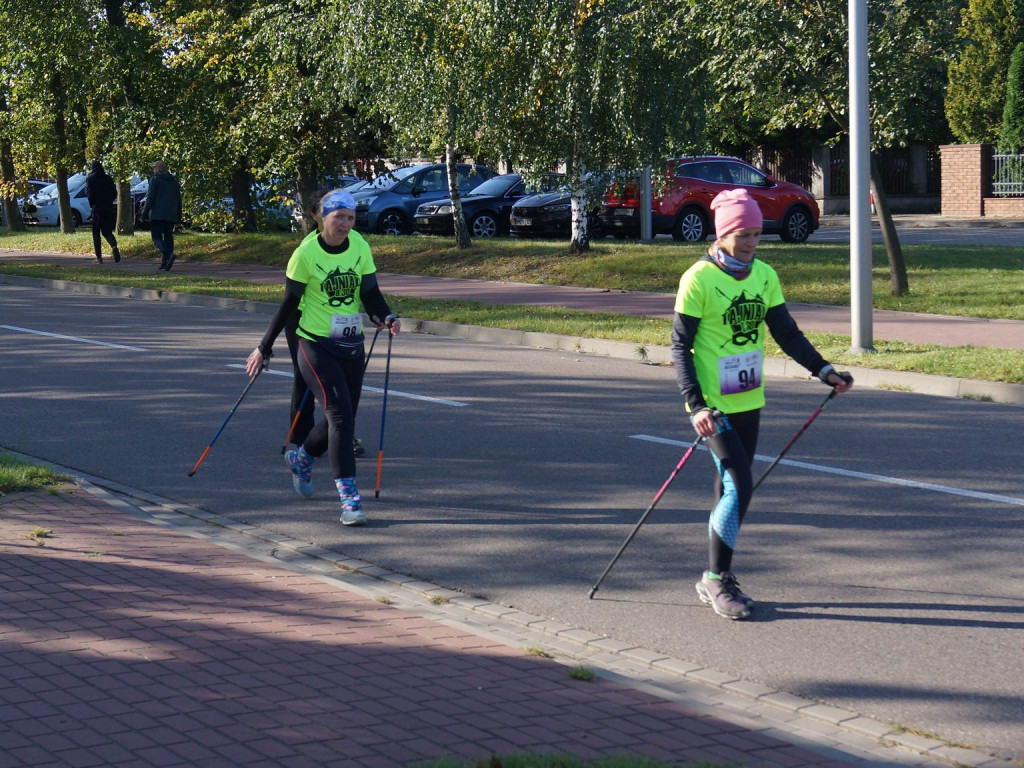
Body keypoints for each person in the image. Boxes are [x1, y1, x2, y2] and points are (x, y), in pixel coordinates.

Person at [670, 188, 852, 621]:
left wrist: (823, 369)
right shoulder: (698, 279)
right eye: (743, 234)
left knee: (732, 488)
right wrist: (695, 405)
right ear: (722, 233)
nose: (751, 242)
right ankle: (716, 578)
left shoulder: (764, 275)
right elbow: (680, 347)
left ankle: (717, 573)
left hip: (748, 396)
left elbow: (786, 333)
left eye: (756, 233)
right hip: (713, 405)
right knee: (739, 485)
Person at [246, 188, 400, 526]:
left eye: (350, 218)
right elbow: (288, 303)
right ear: (322, 217)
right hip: (313, 342)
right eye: (339, 217)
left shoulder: (359, 245)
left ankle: (302, 460)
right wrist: (264, 347)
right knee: (341, 417)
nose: (345, 223)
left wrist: (385, 316)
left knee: (341, 420)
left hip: (350, 344)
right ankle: (350, 502)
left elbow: (369, 291)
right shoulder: (305, 254)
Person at [141, 160, 182, 271]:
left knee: (156, 238)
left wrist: (144, 213)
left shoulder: (155, 180)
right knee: (169, 236)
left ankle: (168, 255)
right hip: (171, 214)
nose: (153, 170)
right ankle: (166, 261)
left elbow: (150, 198)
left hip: (157, 214)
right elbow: (178, 199)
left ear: (158, 168)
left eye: (154, 167)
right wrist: (179, 214)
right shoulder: (174, 181)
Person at [85, 161, 120, 264]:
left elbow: (90, 194)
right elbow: (114, 193)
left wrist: (93, 205)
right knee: (107, 231)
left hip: (97, 209)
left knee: (96, 232)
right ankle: (114, 245)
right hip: (108, 208)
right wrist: (109, 201)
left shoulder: (90, 179)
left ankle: (99, 257)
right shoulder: (108, 178)